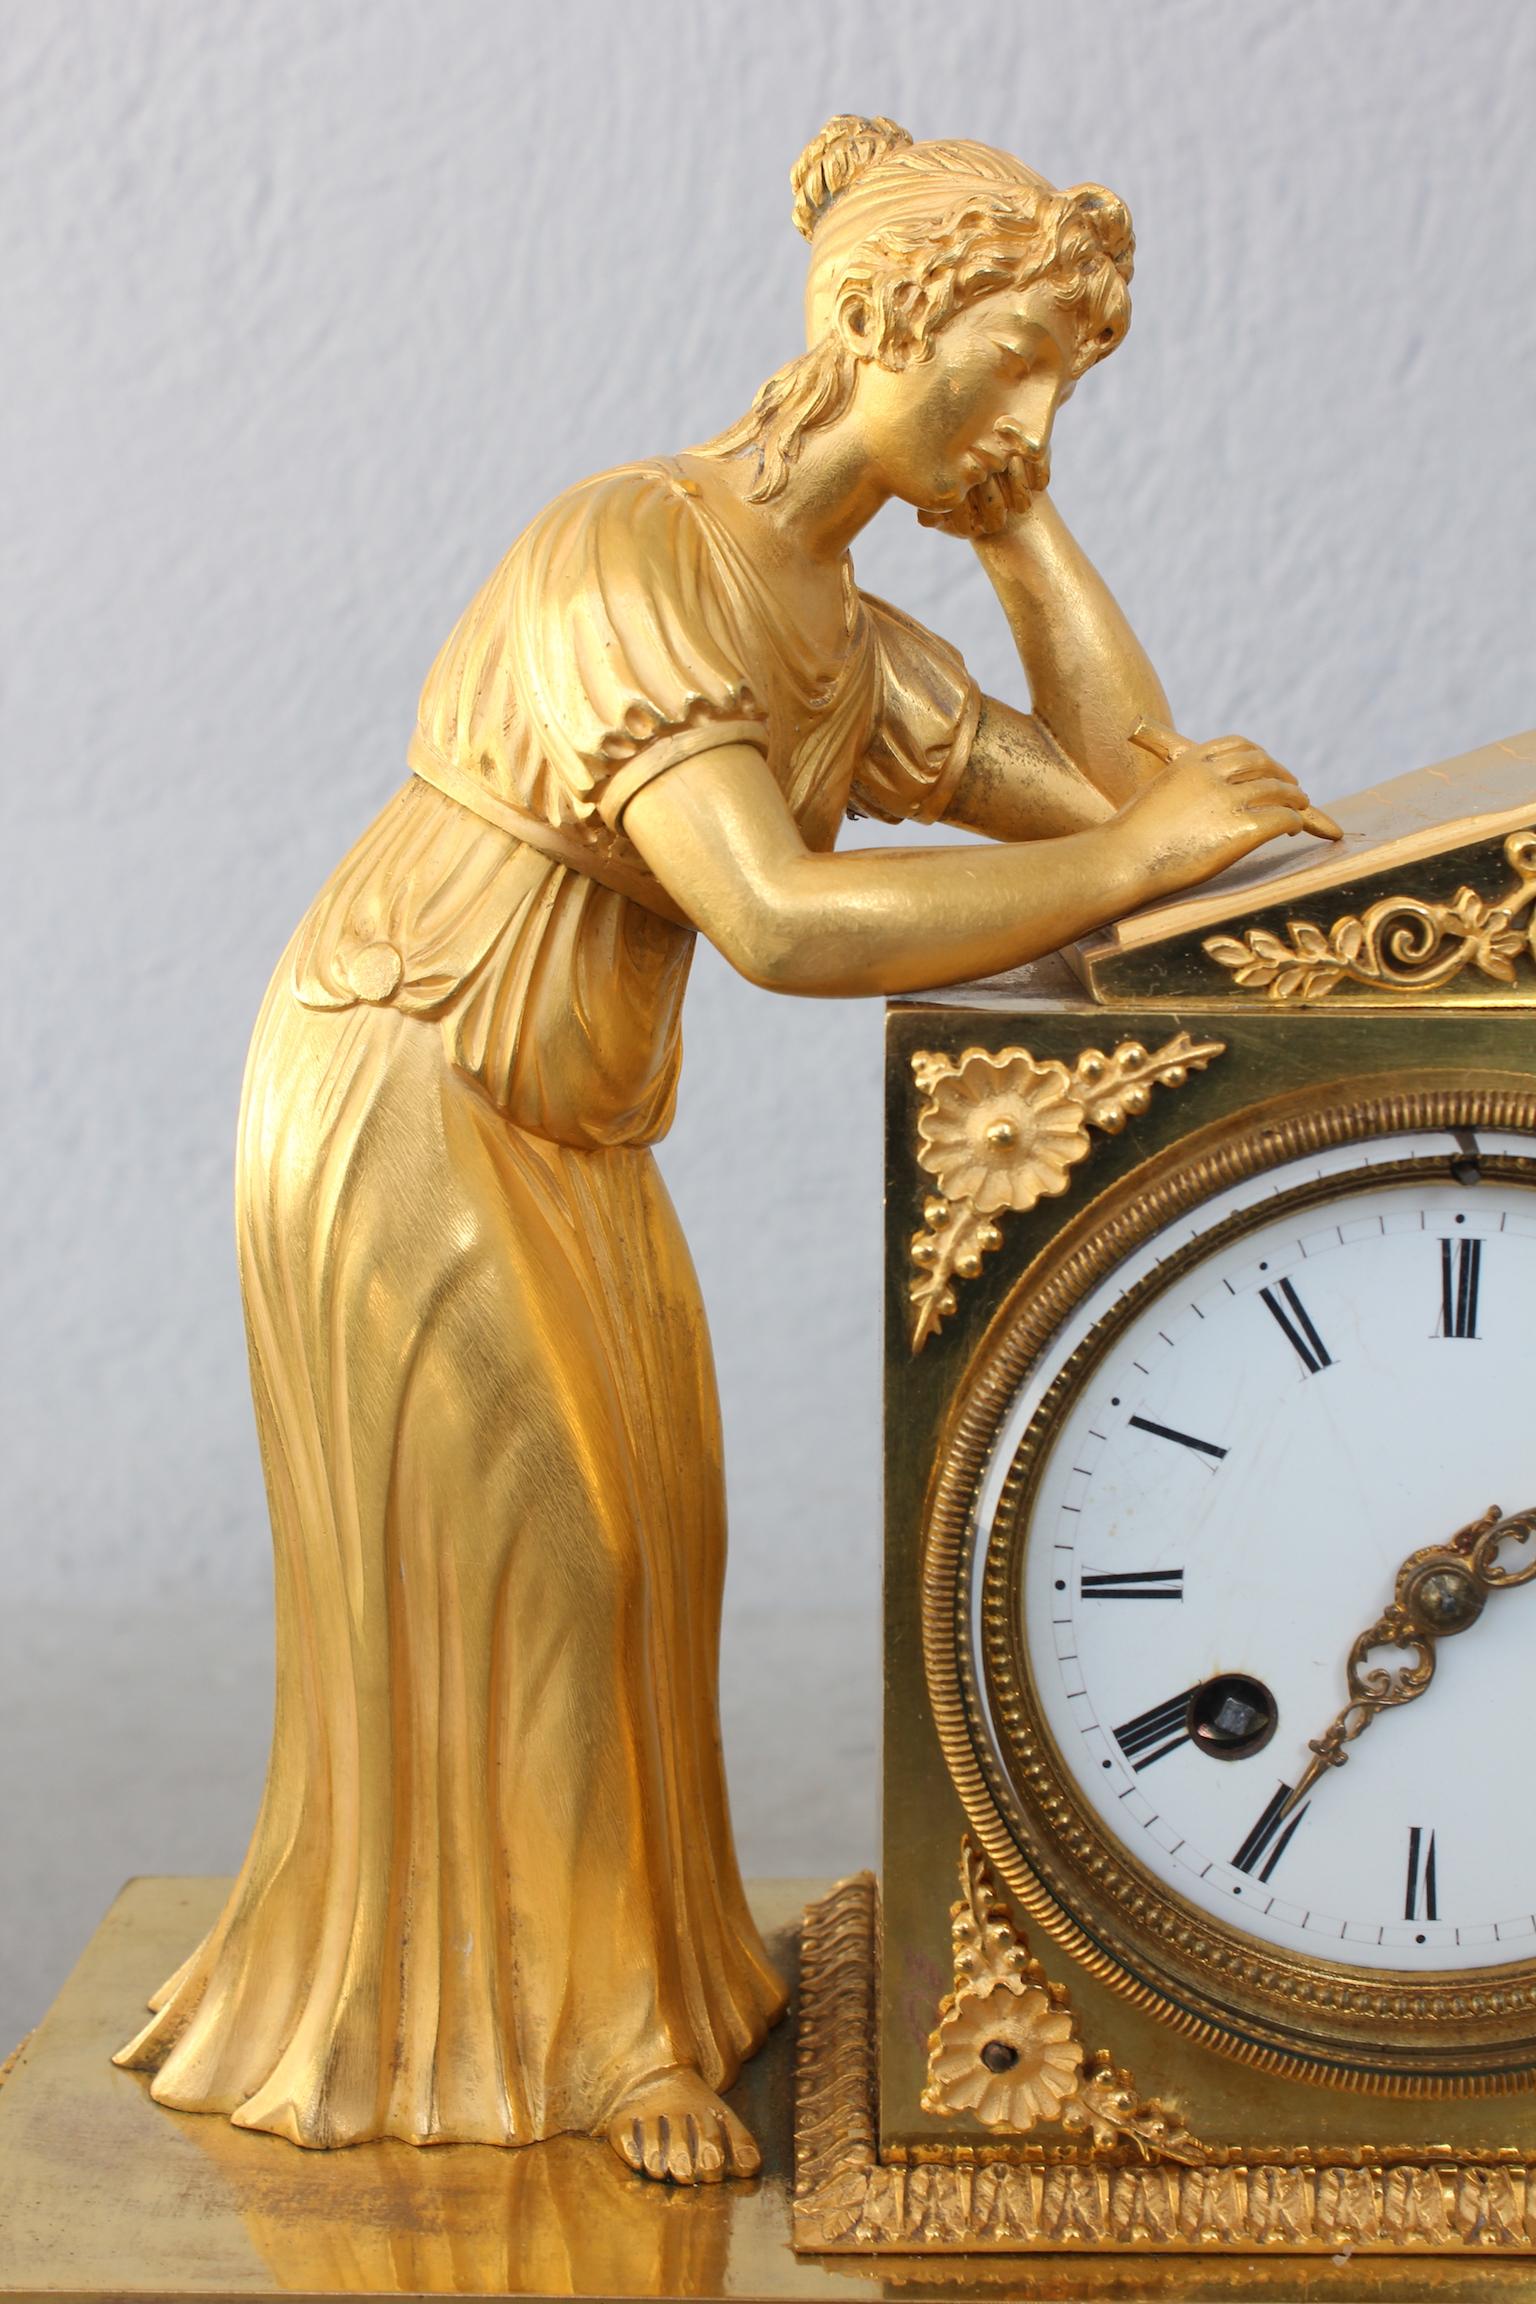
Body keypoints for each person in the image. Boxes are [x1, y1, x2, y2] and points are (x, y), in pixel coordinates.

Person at [116, 115, 1322, 2186]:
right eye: (1009, 370)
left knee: (659, 1555)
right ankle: (570, 2055)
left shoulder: (843, 635)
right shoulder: (634, 553)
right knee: (549, 1557)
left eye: (1065, 388)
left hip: (569, 1126)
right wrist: (1133, 847)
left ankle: (621, 1986)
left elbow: (1133, 810)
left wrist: (1026, 537)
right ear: (871, 325)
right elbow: (771, 920)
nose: (1030, 416)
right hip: (409, 1081)